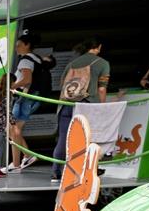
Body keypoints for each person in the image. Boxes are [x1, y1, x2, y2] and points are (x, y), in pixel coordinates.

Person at [52, 37, 110, 182]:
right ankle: (90, 170)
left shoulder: (72, 63)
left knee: (64, 138)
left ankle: (56, 171)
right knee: (90, 138)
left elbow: (62, 83)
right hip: (87, 105)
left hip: (66, 104)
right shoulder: (102, 63)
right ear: (99, 47)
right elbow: (101, 89)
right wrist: (101, 107)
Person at [7, 31, 42, 172]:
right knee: (14, 130)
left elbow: (27, 80)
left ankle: (17, 163)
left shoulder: (25, 60)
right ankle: (26, 156)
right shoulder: (37, 59)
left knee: (13, 130)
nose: (16, 48)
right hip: (32, 98)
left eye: (19, 45)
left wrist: (11, 87)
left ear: (27, 45)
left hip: (24, 98)